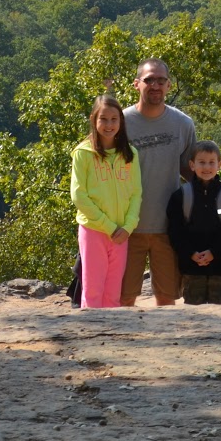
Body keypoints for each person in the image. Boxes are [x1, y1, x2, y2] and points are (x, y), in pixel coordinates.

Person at [119, 57, 197, 306]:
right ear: (136, 84)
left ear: (169, 86)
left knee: (167, 298)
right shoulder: (118, 123)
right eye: (149, 80)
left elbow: (192, 170)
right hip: (126, 227)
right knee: (123, 298)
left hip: (169, 227)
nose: (155, 85)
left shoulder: (183, 124)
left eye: (160, 80)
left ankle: (166, 346)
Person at [70, 94, 141, 309]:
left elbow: (136, 194)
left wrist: (128, 227)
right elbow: (78, 195)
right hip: (94, 231)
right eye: (103, 119)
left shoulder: (130, 154)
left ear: (121, 121)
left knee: (113, 293)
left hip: (121, 233)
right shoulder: (83, 153)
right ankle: (89, 338)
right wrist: (109, 227)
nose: (109, 125)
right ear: (94, 120)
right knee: (92, 291)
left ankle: (111, 340)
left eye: (114, 119)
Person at [166, 140, 221, 305]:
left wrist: (214, 252)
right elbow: (175, 231)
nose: (207, 167)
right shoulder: (180, 196)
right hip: (192, 267)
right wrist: (190, 253)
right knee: (193, 316)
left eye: (211, 162)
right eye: (201, 162)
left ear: (219, 165)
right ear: (192, 165)